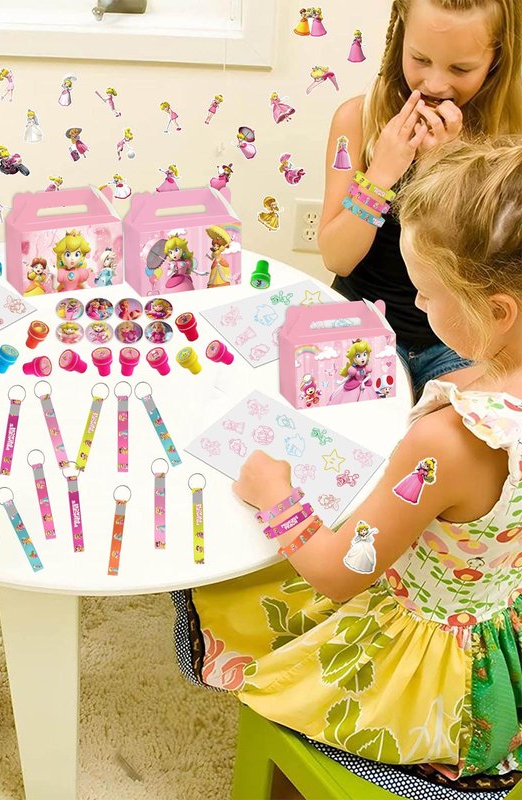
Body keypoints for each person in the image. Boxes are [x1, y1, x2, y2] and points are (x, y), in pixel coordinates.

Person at [173, 137, 522, 797]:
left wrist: (276, 495)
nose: (417, 306)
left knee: (245, 598)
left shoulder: (451, 440)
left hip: (432, 676)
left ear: (496, 311)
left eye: (427, 294)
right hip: (499, 621)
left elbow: (338, 573)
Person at [318, 0, 522, 401]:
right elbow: (337, 258)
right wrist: (380, 174)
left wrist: (444, 171)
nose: (435, 83)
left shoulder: (508, 140)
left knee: (455, 427)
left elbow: (495, 270)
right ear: (399, 39)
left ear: (496, 60)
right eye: (420, 59)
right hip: (362, 318)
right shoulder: (356, 120)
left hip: (460, 340)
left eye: (460, 69)